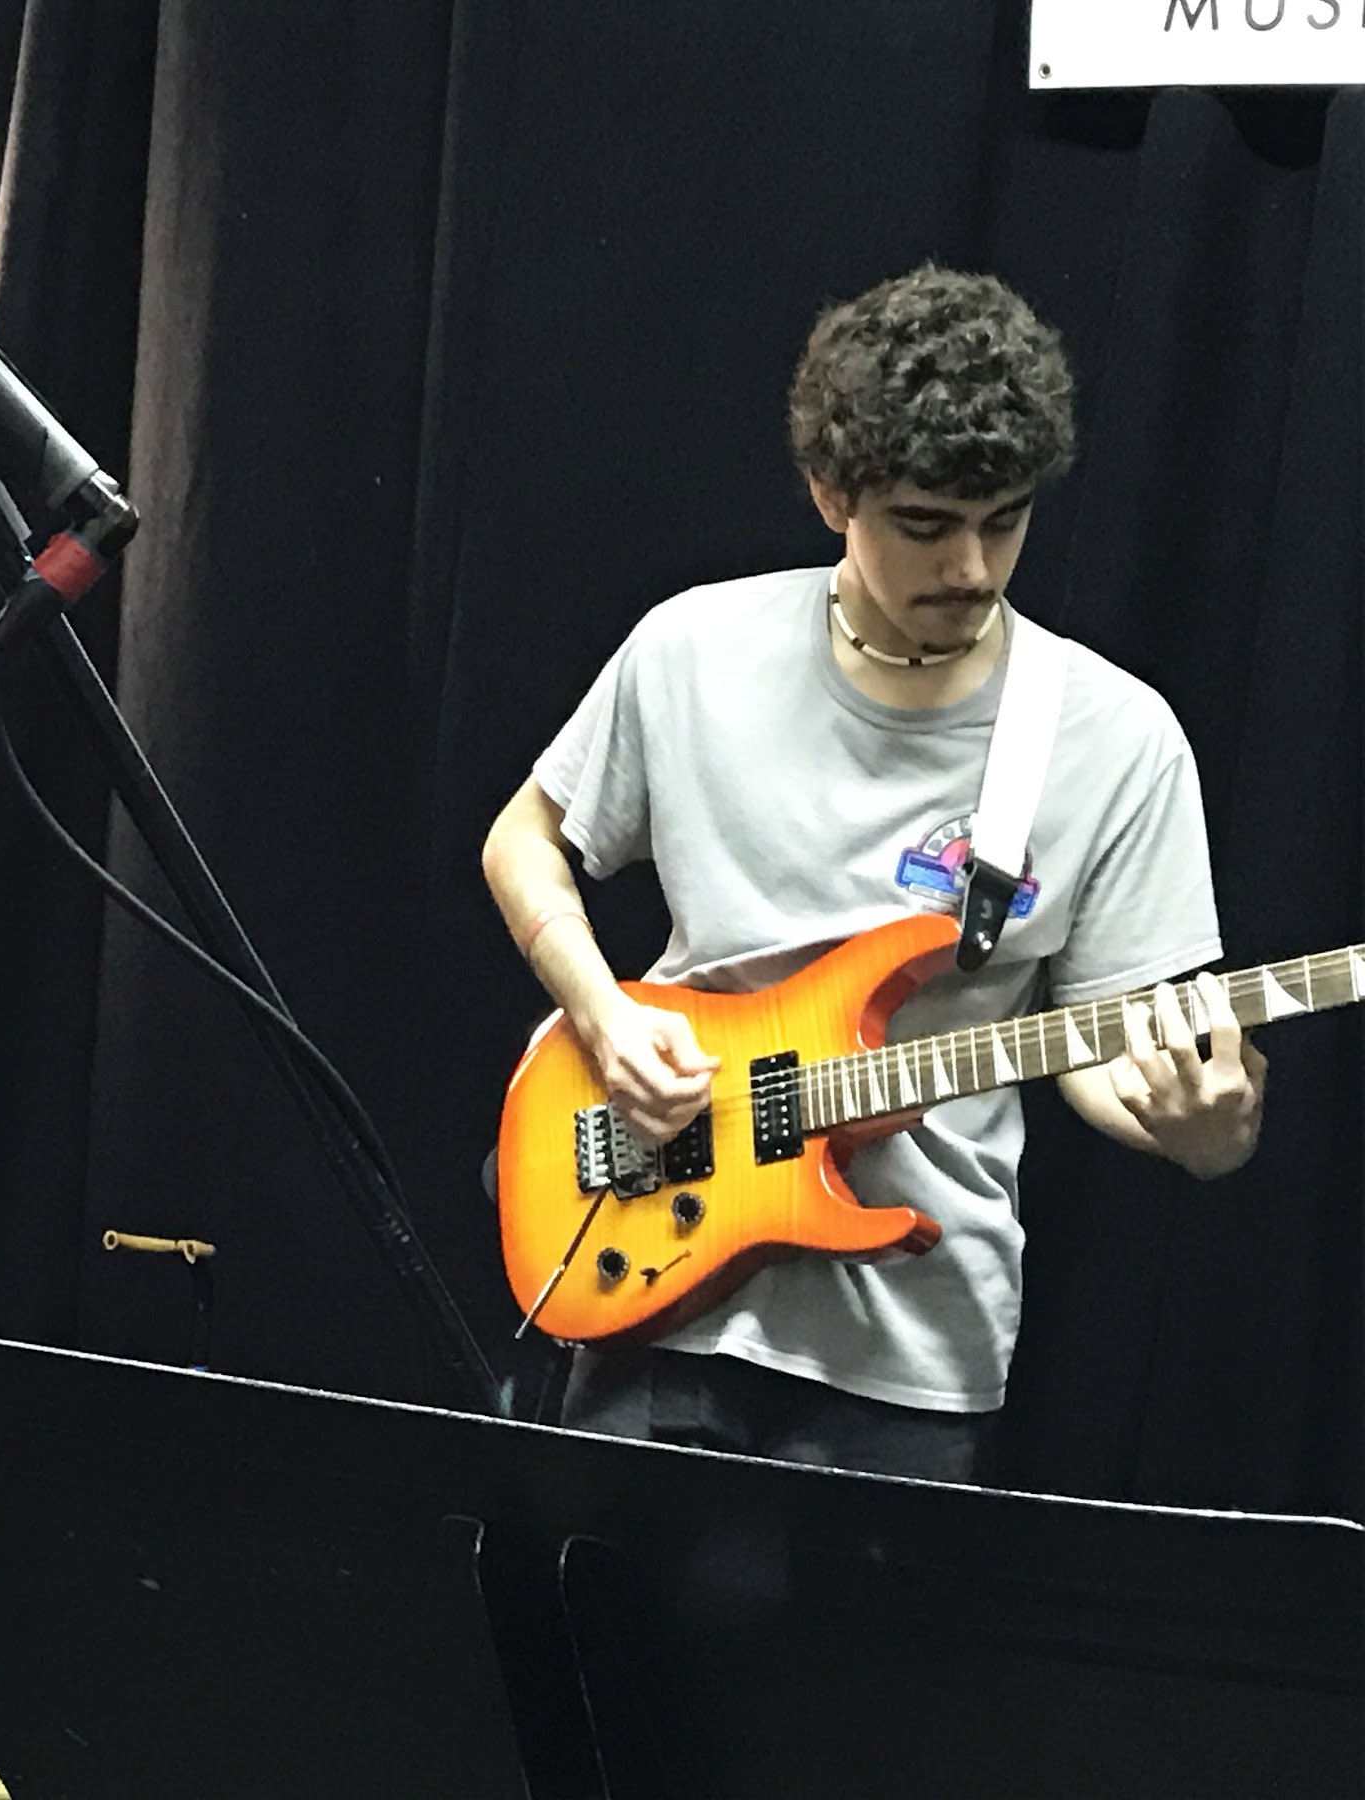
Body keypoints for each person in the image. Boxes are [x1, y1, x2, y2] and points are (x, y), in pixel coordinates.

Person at [481, 267, 1264, 1483]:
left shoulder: (1116, 736)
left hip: (915, 1342)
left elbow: (1105, 1046)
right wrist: (604, 1016)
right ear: (830, 494)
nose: (974, 568)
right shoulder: (694, 648)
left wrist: (1204, 1130)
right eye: (926, 524)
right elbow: (521, 840)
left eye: (1005, 519)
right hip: (657, 1277)